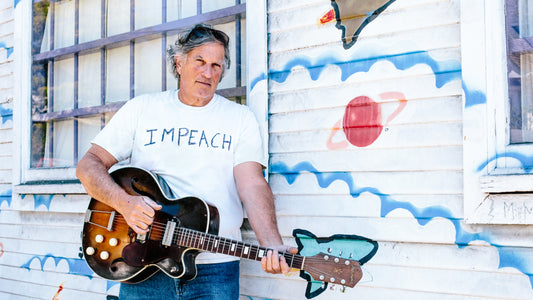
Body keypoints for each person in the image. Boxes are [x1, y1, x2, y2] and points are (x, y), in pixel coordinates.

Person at [76, 24, 297, 299]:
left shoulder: (240, 118)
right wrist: (125, 204)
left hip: (216, 268)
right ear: (178, 63)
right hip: (144, 262)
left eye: (217, 65)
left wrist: (271, 244)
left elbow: (252, 184)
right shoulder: (142, 109)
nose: (208, 73)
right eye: (200, 61)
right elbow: (88, 165)